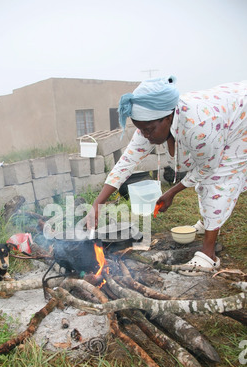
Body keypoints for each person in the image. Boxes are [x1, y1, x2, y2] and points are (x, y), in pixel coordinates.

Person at [87, 76, 247, 270]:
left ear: (169, 117)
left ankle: (209, 254)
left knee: (218, 180)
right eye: (141, 130)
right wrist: (98, 202)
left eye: (149, 130)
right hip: (222, 116)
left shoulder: (199, 126)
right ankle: (210, 223)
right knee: (207, 179)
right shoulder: (152, 121)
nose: (146, 135)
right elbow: (127, 161)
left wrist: (172, 191)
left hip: (240, 121)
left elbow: (208, 168)